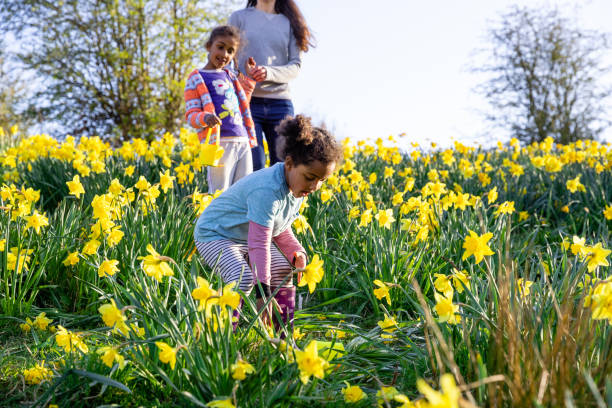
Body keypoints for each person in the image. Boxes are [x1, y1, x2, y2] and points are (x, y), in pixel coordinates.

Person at [194, 115, 342, 333]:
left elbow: (280, 229)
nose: (315, 186)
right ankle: (222, 337)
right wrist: (263, 294)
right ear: (290, 164)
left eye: (322, 180)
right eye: (311, 177)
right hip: (216, 235)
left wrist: (296, 252)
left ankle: (281, 336)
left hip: (244, 237)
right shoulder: (267, 191)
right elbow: (259, 243)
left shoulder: (297, 189)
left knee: (284, 268)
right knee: (242, 277)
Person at [229, 0, 314, 171]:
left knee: (283, 166)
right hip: (247, 103)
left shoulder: (290, 22)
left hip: (280, 104)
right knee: (253, 165)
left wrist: (268, 73)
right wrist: (243, 76)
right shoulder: (239, 18)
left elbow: (295, 66)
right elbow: (228, 60)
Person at [184, 25, 259, 194]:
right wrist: (205, 118)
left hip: (243, 141)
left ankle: (240, 222)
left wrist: (250, 78)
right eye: (220, 47)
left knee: (243, 193)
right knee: (219, 193)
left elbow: (242, 103)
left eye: (230, 51)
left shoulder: (230, 75)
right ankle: (214, 221)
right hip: (220, 144)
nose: (224, 54)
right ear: (208, 46)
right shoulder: (197, 77)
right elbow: (191, 115)